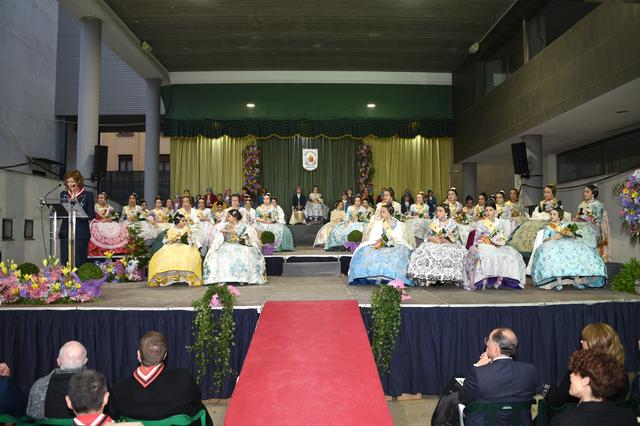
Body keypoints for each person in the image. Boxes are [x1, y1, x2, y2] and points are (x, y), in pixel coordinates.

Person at [110, 331, 213, 426]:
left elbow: (114, 417)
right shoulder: (184, 379)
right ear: (164, 356)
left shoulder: (118, 389)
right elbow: (196, 400)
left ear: (138, 355)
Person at [544, 323, 629, 422]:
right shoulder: (622, 375)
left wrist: (548, 390)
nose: (581, 343)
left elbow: (557, 400)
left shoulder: (580, 373)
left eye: (583, 340)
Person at [458, 328, 537, 426]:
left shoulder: (479, 373)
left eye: (488, 341)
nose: (486, 344)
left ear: (495, 347)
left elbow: (463, 398)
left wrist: (477, 366)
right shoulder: (530, 371)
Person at [549, 350, 635, 426]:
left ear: (586, 381)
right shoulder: (628, 417)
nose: (570, 376)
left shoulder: (562, 422)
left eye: (575, 372)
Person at [529, 207, 606, 290]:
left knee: (576, 254)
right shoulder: (549, 227)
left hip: (568, 243)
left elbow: (574, 237)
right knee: (557, 257)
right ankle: (559, 282)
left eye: (554, 214)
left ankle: (576, 281)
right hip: (554, 245)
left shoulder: (566, 224)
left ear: (559, 216)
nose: (551, 216)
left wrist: (571, 234)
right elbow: (545, 240)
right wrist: (554, 237)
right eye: (551, 214)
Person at [464, 199, 525, 290]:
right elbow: (477, 237)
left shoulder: (499, 223)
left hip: (498, 245)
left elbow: (502, 236)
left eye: (491, 210)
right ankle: (485, 280)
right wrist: (487, 241)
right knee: (486, 255)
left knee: (513, 256)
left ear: (495, 211)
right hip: (484, 245)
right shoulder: (481, 223)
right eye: (486, 210)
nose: (488, 213)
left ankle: (502, 279)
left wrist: (499, 241)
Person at [348, 203, 415, 285]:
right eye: (381, 212)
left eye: (383, 212)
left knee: (399, 254)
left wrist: (391, 240)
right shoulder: (378, 223)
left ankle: (391, 278)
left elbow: (400, 237)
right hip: (379, 243)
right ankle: (370, 277)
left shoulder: (399, 224)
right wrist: (381, 241)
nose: (381, 214)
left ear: (389, 212)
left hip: (395, 244)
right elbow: (374, 236)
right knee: (367, 252)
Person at [27, 341, 88, 419]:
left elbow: (31, 414)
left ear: (58, 361)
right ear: (85, 361)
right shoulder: (97, 384)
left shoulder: (38, 385)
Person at [203, 209, 266, 285]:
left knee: (245, 253)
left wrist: (226, 230)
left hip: (239, 243)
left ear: (235, 217)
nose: (227, 218)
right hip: (227, 243)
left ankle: (243, 277)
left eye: (229, 216)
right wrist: (223, 232)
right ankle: (222, 277)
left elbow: (238, 232)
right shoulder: (226, 225)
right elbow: (223, 234)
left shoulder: (242, 225)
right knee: (218, 253)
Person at [408, 204, 465, 286]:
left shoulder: (452, 223)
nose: (438, 213)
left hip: (448, 244)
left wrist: (445, 240)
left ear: (446, 213)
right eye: (437, 211)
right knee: (425, 251)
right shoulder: (435, 222)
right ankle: (432, 276)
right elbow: (427, 235)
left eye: (440, 211)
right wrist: (432, 239)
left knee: (448, 252)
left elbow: (456, 239)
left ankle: (446, 276)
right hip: (435, 243)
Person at [147, 214, 202, 287]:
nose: (184, 222)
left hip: (184, 246)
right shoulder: (171, 230)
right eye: (182, 221)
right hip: (172, 245)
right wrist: (172, 239)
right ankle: (166, 277)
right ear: (177, 221)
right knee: (162, 256)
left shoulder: (186, 229)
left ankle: (187, 276)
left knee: (189, 255)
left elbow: (190, 239)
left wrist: (187, 239)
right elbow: (165, 240)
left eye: (185, 221)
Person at [59, 170, 95, 266]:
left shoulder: (88, 195)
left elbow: (91, 214)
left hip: (81, 232)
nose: (69, 184)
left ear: (78, 182)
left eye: (72, 182)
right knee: (65, 258)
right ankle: (66, 279)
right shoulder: (64, 194)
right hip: (66, 231)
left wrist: (79, 213)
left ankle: (79, 279)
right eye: (68, 182)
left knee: (80, 259)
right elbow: (61, 210)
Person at [575, 184, 611, 261]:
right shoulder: (581, 205)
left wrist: (584, 217)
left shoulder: (598, 205)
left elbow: (597, 221)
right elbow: (578, 218)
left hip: (594, 229)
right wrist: (577, 218)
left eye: (587, 192)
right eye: (584, 192)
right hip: (582, 228)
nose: (585, 193)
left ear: (593, 193)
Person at [88, 192, 129, 257]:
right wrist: (97, 220)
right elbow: (92, 216)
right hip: (98, 223)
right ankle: (100, 250)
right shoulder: (95, 207)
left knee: (119, 228)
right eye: (98, 198)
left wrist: (109, 219)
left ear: (105, 199)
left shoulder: (109, 208)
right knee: (94, 227)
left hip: (108, 223)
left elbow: (113, 217)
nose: (100, 199)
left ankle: (115, 250)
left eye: (102, 198)